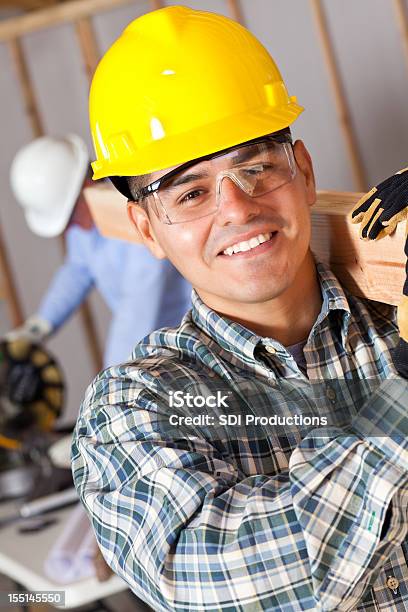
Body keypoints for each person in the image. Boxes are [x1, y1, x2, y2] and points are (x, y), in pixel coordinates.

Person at [71, 6, 408, 611]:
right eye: (192, 191)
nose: (238, 208)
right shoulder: (137, 406)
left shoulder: (396, 315)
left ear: (303, 172)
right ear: (146, 229)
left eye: (255, 168)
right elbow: (214, 581)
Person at [7, 134, 192, 367]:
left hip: (189, 340)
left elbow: (135, 307)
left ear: (86, 186)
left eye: (70, 217)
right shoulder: (86, 221)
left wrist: (112, 375)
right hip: (155, 348)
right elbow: (77, 269)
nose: (71, 228)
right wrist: (40, 325)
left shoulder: (133, 219)